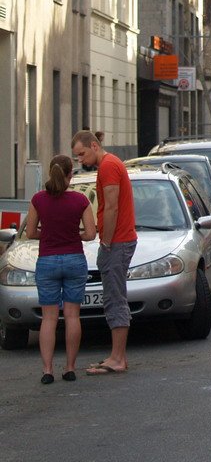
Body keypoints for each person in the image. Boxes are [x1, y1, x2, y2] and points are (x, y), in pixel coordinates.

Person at [25, 155, 97, 383]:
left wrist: (46, 234)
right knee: (72, 315)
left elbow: (29, 233)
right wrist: (75, 234)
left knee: (48, 319)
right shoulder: (80, 200)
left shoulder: (38, 200)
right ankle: (70, 367)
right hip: (74, 259)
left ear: (50, 172)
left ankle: (47, 370)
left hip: (47, 261)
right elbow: (91, 234)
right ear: (70, 175)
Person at [71, 129, 136, 376]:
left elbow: (111, 207)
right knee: (113, 297)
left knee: (114, 298)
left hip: (117, 241)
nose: (80, 160)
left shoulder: (108, 166)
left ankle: (118, 358)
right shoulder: (111, 163)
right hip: (119, 239)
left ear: (94, 147)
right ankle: (116, 356)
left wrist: (106, 240)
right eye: (76, 157)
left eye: (81, 154)